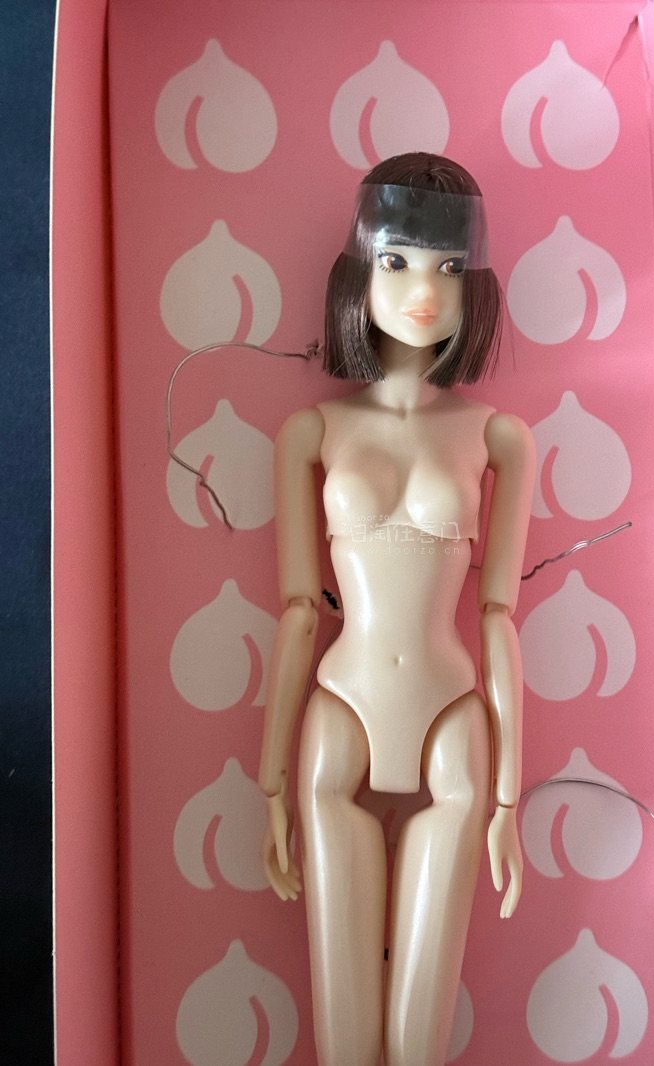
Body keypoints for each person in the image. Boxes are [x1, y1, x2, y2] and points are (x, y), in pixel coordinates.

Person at [258, 153, 535, 1066]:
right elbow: (300, 611)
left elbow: (498, 618)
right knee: (344, 1039)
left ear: (474, 285)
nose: (424, 291)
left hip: (455, 717)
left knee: (419, 1041)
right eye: (397, 260)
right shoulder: (313, 432)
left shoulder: (498, 437)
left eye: (449, 267)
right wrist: (270, 786)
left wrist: (508, 800)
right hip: (340, 708)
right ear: (359, 271)